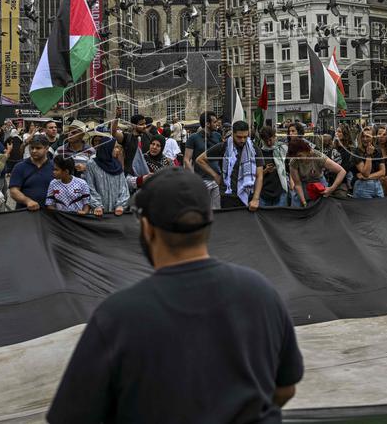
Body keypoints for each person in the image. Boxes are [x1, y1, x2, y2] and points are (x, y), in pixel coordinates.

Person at [47, 168, 303, 424]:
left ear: (147, 228)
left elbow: (70, 416)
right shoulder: (260, 292)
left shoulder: (117, 316)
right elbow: (285, 388)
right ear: (209, 221)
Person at [196, 120, 263, 210]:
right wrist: (216, 176)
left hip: (248, 195)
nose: (242, 140)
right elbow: (200, 160)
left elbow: (259, 176)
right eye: (239, 137)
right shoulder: (223, 147)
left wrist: (256, 198)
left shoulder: (254, 149)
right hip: (228, 195)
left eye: (245, 137)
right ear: (232, 134)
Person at [287, 137, 346, 206]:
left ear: (305, 150)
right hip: (302, 184)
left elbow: (342, 171)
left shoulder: (318, 156)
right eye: (295, 157)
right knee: (297, 206)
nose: (298, 158)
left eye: (299, 155)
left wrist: (332, 189)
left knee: (323, 206)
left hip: (318, 182)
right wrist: (304, 202)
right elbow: (297, 184)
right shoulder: (294, 161)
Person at [184, 111, 223, 208]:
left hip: (217, 179)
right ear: (207, 124)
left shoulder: (218, 136)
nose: (217, 124)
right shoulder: (193, 138)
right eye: (214, 122)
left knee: (217, 210)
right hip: (201, 180)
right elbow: (186, 159)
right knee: (202, 210)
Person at [85, 136, 130, 216]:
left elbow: (124, 187)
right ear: (107, 147)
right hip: (98, 212)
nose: (118, 150)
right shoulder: (92, 164)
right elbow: (90, 187)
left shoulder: (117, 165)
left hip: (116, 213)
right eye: (115, 147)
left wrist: (120, 205)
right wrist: (97, 205)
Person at [9, 134, 55, 211]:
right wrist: (27, 201)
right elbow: (14, 191)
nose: (34, 151)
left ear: (46, 149)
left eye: (38, 148)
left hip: (50, 213)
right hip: (25, 212)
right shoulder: (20, 167)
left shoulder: (55, 167)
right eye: (32, 148)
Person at [257, 126, 289, 207]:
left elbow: (288, 168)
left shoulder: (281, 150)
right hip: (263, 193)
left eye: (273, 138)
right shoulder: (259, 153)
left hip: (280, 191)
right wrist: (266, 170)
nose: (270, 142)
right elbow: (254, 175)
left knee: (280, 217)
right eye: (267, 140)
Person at [351, 127, 385, 199]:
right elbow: (366, 173)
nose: (365, 139)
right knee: (365, 210)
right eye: (363, 136)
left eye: (368, 136)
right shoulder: (356, 152)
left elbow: (382, 172)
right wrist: (369, 155)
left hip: (377, 185)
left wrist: (367, 177)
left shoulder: (378, 151)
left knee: (380, 209)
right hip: (362, 187)